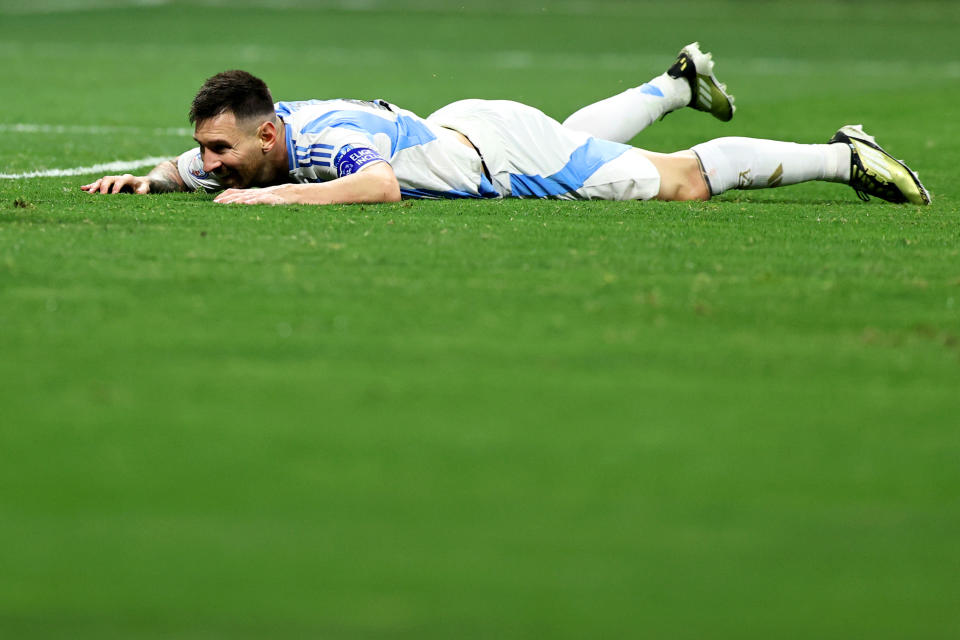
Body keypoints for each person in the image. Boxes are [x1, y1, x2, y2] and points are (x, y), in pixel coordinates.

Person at [80, 43, 930, 206]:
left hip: (503, 154)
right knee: (577, 137)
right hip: (470, 129)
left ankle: (840, 157)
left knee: (682, 182)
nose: (210, 163)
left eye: (218, 150)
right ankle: (673, 84)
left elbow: (376, 186)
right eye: (205, 149)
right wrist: (154, 177)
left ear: (267, 137)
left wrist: (269, 206)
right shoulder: (255, 146)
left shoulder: (332, 144)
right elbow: (194, 167)